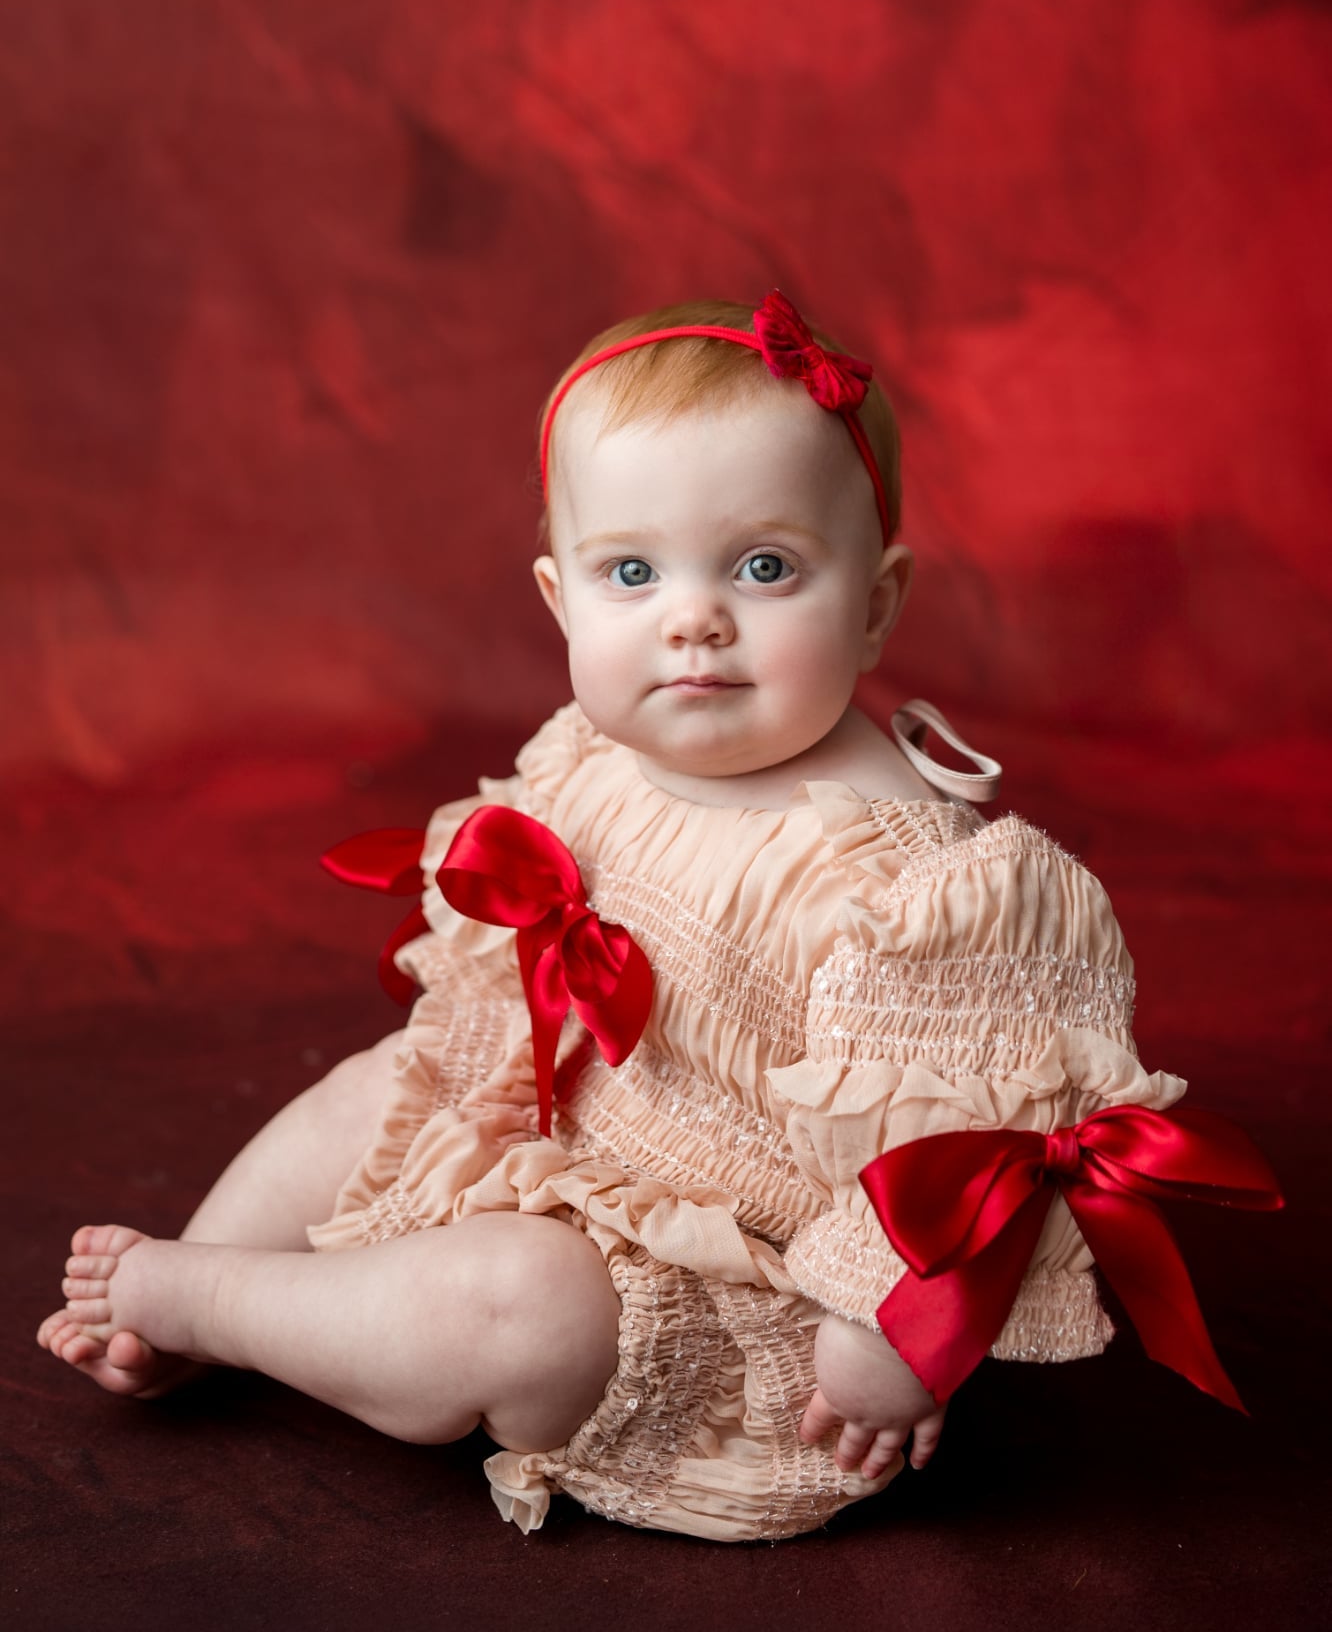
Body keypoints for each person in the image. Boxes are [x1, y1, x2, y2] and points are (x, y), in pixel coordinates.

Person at [35, 294, 1203, 1542]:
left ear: (874, 600)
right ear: (562, 599)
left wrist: (891, 1339)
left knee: (520, 1297)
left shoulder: (925, 888)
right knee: (380, 1081)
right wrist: (465, 1095)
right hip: (568, 1128)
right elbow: (497, 1000)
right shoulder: (593, 757)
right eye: (632, 572)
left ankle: (216, 1301)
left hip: (734, 1280)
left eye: (765, 566)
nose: (692, 618)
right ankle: (190, 1290)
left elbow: (974, 1151)